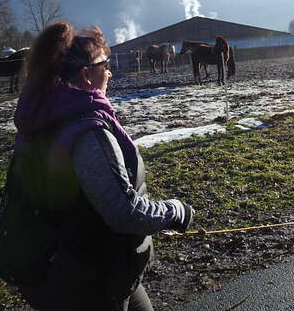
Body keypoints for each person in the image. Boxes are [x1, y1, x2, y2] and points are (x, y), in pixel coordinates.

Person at [13, 22, 194, 310]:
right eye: (105, 64)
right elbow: (124, 212)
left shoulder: (41, 116)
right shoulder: (87, 132)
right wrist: (175, 211)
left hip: (64, 264)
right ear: (86, 75)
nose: (109, 71)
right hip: (90, 279)